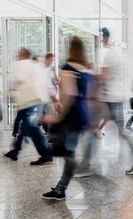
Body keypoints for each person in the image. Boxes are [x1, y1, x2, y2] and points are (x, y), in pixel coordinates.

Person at [40, 36, 91, 200]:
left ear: (71, 49)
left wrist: (59, 116)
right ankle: (62, 187)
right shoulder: (87, 69)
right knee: (69, 149)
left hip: (72, 114)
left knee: (68, 152)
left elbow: (69, 94)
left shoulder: (68, 68)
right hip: (84, 113)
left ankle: (61, 189)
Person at [95, 28, 133, 175]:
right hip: (115, 96)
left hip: (110, 97)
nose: (98, 41)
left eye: (99, 37)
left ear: (103, 37)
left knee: (96, 125)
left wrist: (89, 77)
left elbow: (105, 75)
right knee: (118, 130)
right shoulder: (117, 53)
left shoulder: (110, 54)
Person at [3, 48, 53, 165]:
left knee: (31, 127)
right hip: (36, 99)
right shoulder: (35, 65)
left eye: (18, 54)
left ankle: (46, 153)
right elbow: (43, 82)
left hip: (27, 100)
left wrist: (11, 94)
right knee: (25, 126)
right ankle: (15, 151)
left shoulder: (19, 64)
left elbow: (17, 80)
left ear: (21, 55)